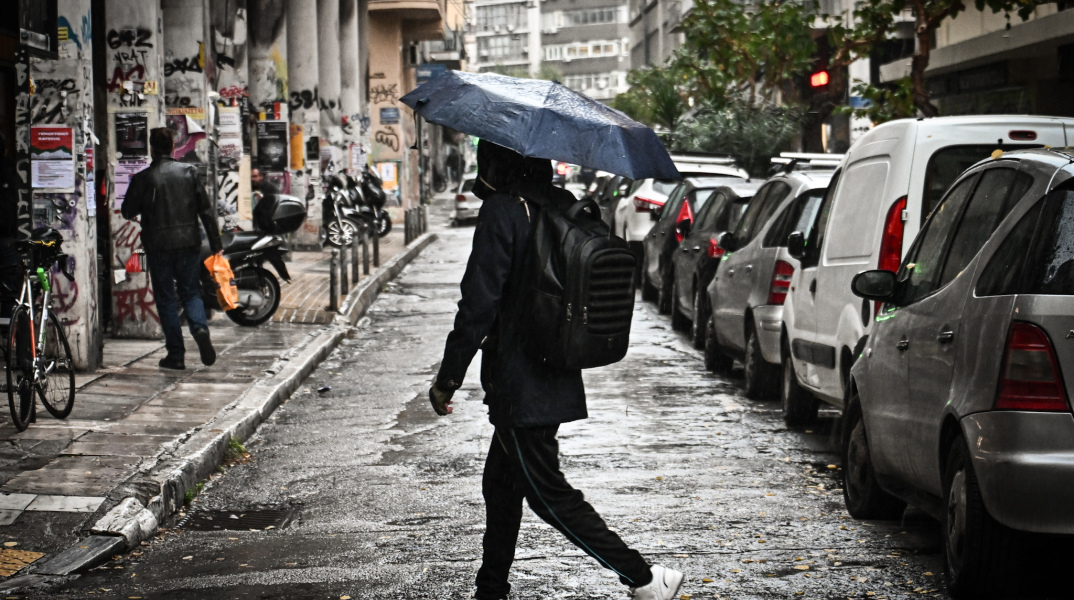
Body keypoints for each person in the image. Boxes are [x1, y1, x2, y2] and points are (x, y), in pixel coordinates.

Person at [429, 140, 685, 600]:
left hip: (519, 381)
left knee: (548, 493)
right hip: (556, 367)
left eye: (486, 160)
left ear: (497, 164)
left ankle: (644, 578)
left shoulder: (503, 212)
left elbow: (478, 305)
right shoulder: (563, 204)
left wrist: (449, 378)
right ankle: (490, 589)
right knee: (501, 487)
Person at [122, 128, 222, 370]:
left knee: (167, 298)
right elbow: (206, 211)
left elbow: (127, 211)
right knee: (191, 292)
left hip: (158, 247)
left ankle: (176, 355)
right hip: (188, 243)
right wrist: (216, 244)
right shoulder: (189, 172)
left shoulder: (143, 178)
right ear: (173, 147)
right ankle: (199, 326)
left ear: (151, 149)